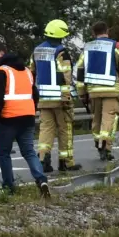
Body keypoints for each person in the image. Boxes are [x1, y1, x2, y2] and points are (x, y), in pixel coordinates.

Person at [0, 41, 52, 197]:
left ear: (1, 54)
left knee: (3, 153)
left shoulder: (1, 71)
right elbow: (35, 95)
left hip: (9, 118)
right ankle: (41, 179)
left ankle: (9, 186)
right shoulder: (27, 71)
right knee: (29, 151)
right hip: (28, 117)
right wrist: (31, 110)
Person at [76, 21, 119, 161]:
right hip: (111, 90)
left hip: (93, 91)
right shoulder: (114, 46)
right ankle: (105, 144)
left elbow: (80, 71)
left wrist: (82, 93)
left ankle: (98, 142)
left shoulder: (87, 48)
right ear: (107, 31)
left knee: (97, 119)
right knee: (110, 118)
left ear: (93, 33)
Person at [32, 19, 82, 172]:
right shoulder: (61, 52)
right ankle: (66, 162)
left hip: (43, 99)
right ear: (61, 35)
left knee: (46, 129)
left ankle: (42, 159)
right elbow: (65, 77)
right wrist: (67, 98)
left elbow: (31, 72)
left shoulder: (37, 50)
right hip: (59, 99)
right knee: (64, 129)